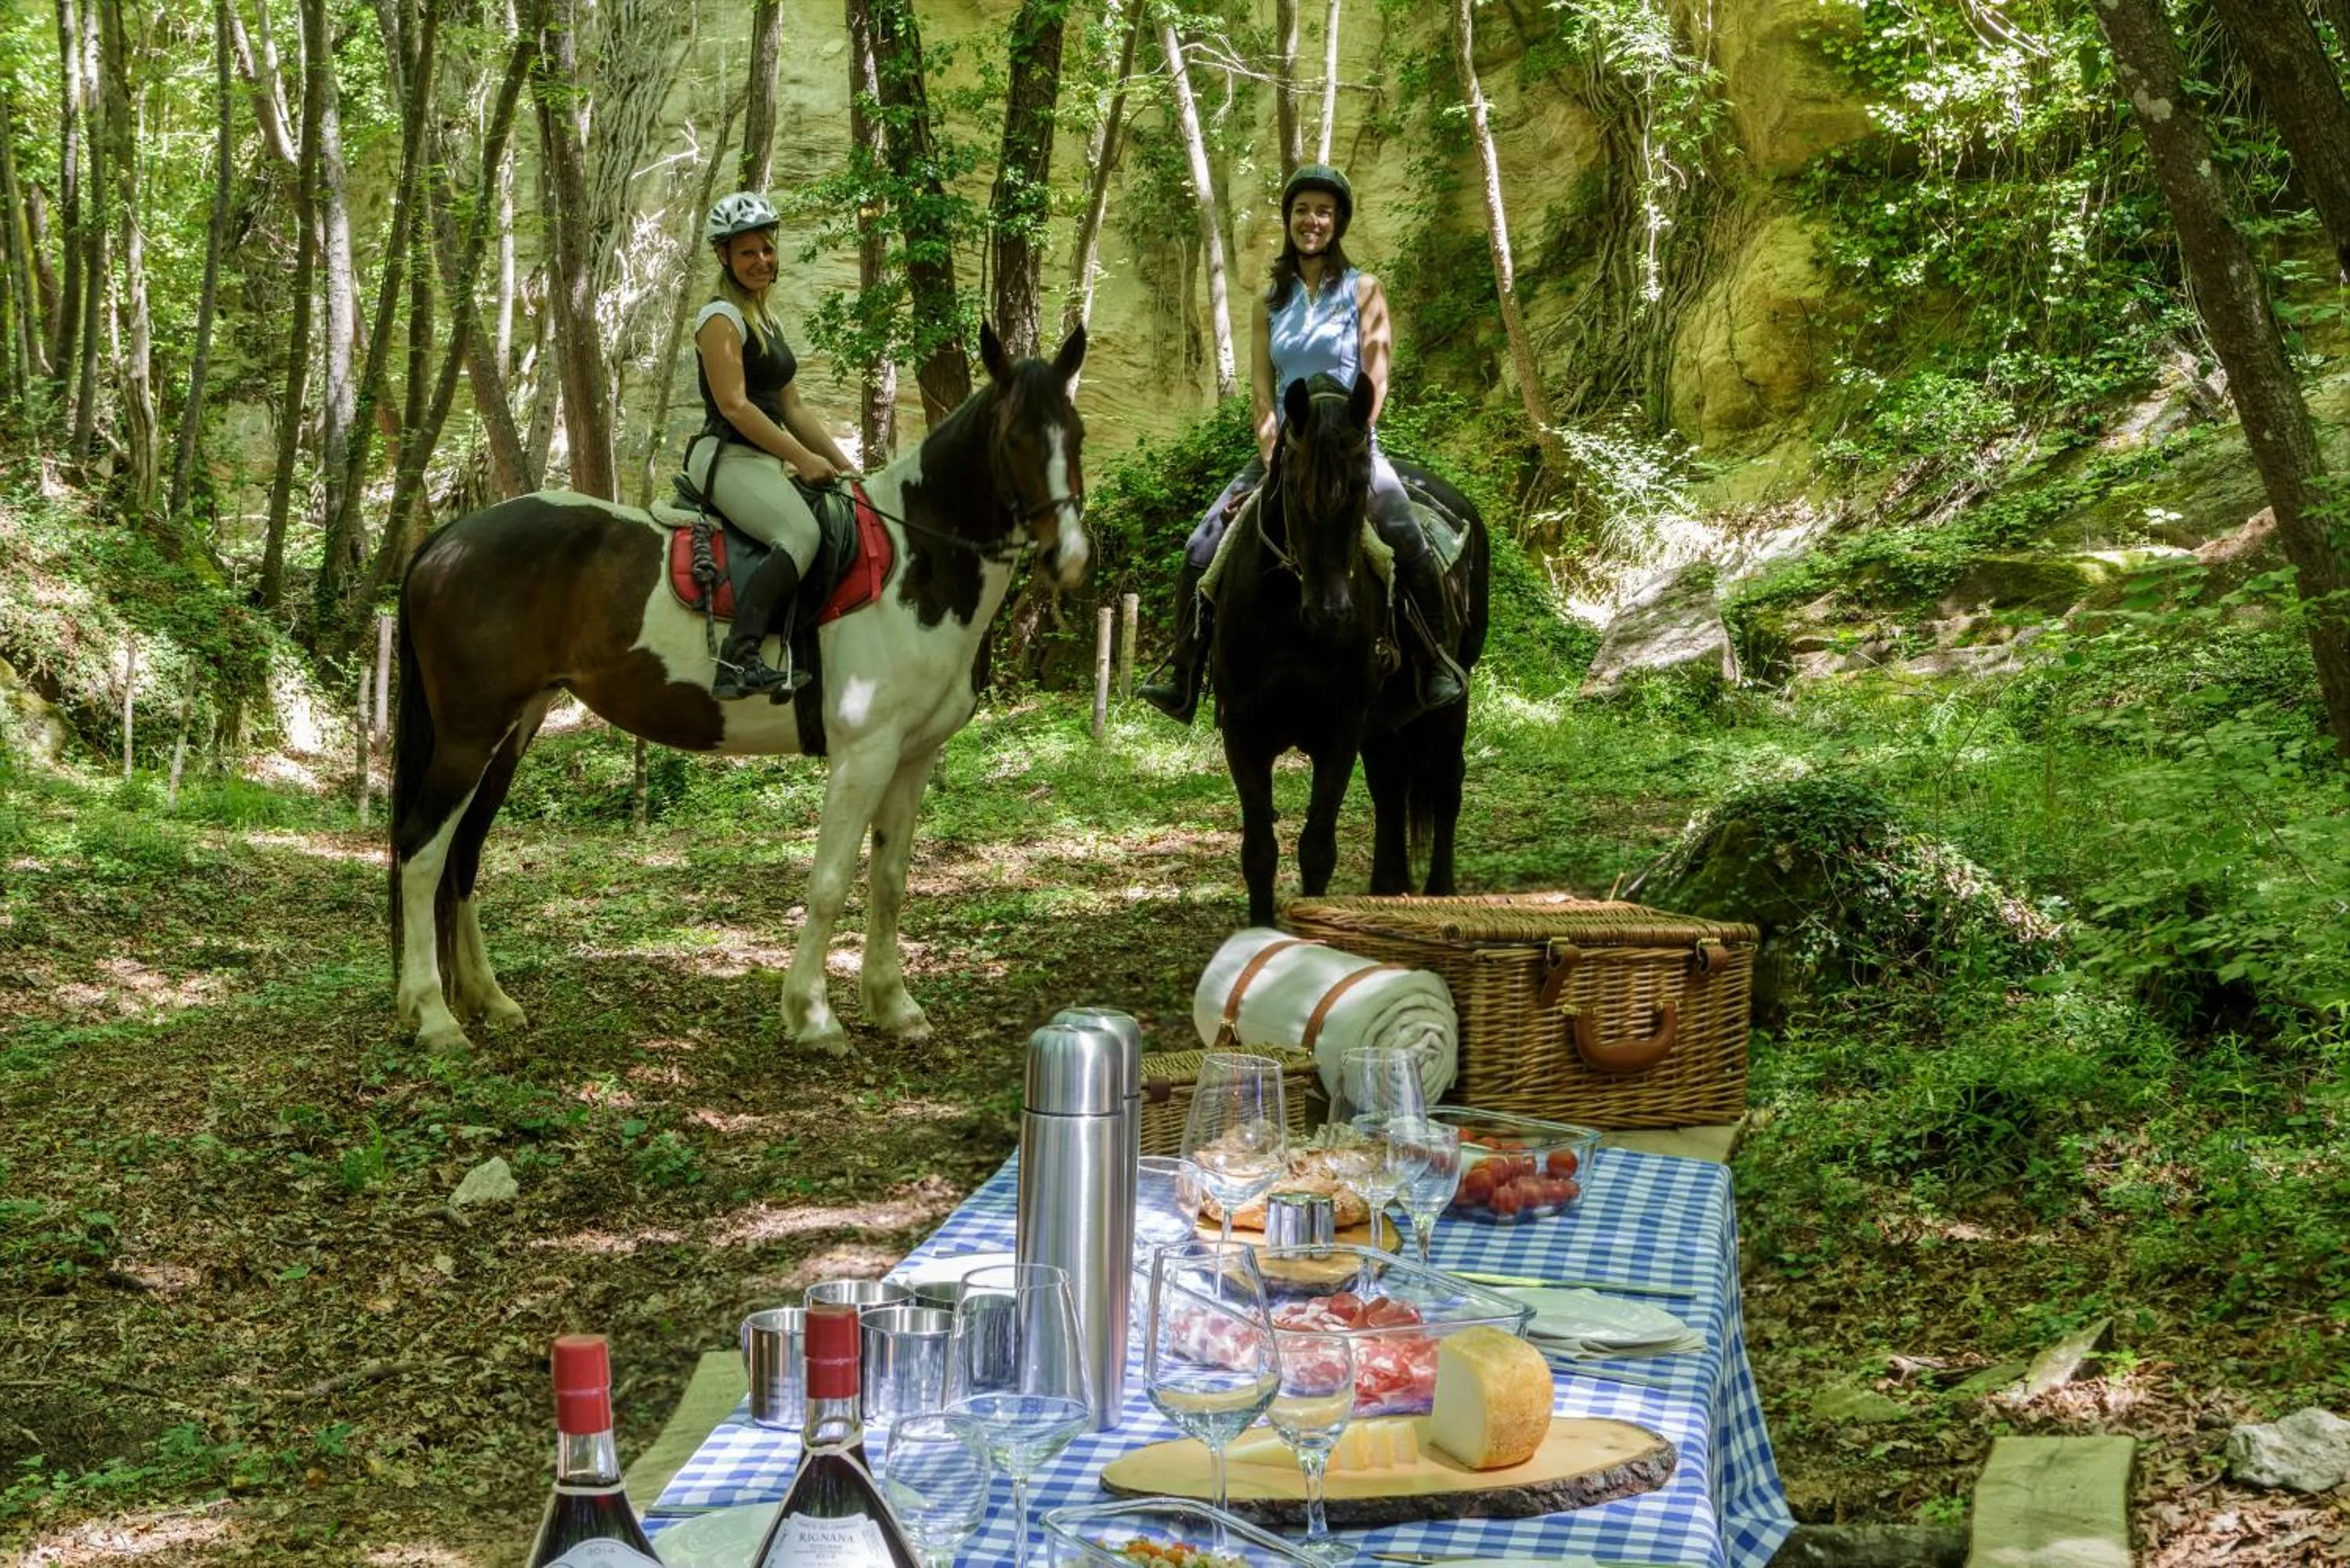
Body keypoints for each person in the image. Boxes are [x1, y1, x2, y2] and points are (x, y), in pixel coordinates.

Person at [1139, 164, 1466, 724]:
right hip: (1287, 450)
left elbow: (1376, 378)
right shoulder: (1269, 300)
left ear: (1337, 222)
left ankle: (1435, 661)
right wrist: (1276, 459)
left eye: (1323, 211)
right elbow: (1263, 391)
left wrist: (1351, 445)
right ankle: (1183, 669)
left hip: (1350, 446)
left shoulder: (1366, 290)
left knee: (1407, 541)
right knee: (1201, 547)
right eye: (1301, 210)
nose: (1311, 221)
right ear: (1289, 219)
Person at [688, 192, 862, 700]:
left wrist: (844, 466)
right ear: (724, 257)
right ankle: (737, 660)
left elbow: (795, 408)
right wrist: (800, 459)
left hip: (762, 460)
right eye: (747, 253)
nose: (761, 260)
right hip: (726, 456)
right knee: (800, 534)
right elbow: (737, 406)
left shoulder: (767, 319)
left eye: (766, 249)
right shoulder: (720, 317)